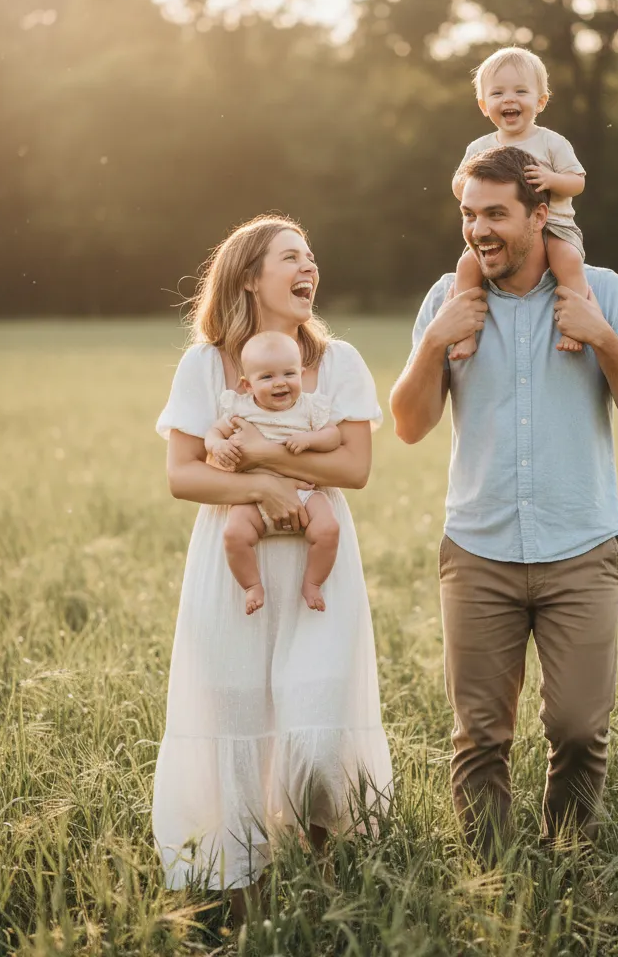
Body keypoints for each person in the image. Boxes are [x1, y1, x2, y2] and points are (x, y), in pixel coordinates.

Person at [390, 145, 618, 860]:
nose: (478, 229)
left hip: (580, 550)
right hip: (478, 551)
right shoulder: (446, 301)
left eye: (495, 214)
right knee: (479, 736)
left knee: (579, 727)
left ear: (540, 215)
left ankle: (569, 863)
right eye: (468, 215)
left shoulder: (603, 292)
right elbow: (409, 425)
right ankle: (493, 874)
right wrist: (433, 346)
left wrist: (601, 337)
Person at [154, 213, 392, 911]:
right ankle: (242, 897)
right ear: (252, 278)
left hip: (319, 571)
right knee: (235, 721)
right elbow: (183, 475)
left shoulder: (338, 362)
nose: (308, 266)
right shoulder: (205, 365)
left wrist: (261, 455)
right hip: (235, 570)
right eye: (291, 256)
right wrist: (261, 487)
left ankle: (320, 884)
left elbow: (354, 466)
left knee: (316, 732)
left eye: (311, 255)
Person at [449, 45, 587, 360]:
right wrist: (467, 187)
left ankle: (574, 325)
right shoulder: (480, 147)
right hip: (502, 231)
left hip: (556, 225)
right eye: (497, 93)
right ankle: (465, 334)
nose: (509, 99)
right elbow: (460, 185)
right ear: (484, 106)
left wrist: (551, 180)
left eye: (520, 91)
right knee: (467, 266)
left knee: (567, 260)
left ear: (540, 101)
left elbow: (577, 181)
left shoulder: (552, 142)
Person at [206, 330, 342, 614]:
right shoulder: (240, 409)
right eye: (267, 377)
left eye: (288, 374)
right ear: (247, 384)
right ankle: (252, 585)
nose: (280, 383)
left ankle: (313, 583)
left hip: (303, 492)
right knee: (234, 533)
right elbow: (213, 433)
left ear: (302, 375)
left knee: (329, 527)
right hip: (251, 498)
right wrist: (218, 445)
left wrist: (309, 439)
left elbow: (333, 437)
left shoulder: (309, 408)